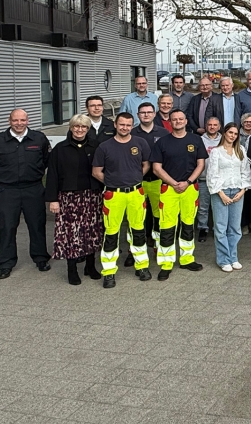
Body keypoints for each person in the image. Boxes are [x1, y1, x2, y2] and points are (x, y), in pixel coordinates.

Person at [0, 109, 51, 279]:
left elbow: (46, 160)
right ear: (9, 121)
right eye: (15, 120)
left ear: (28, 120)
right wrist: (5, 176)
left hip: (33, 188)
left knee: (37, 225)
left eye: (22, 120)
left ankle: (40, 258)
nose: (19, 123)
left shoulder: (38, 138)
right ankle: (6, 263)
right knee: (7, 227)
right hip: (8, 190)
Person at [91, 112, 152, 288]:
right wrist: (112, 182)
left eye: (128, 125)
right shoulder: (104, 146)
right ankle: (109, 272)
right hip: (113, 195)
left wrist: (136, 177)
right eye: (121, 124)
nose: (124, 127)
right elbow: (96, 171)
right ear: (115, 125)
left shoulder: (140, 143)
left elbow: (146, 163)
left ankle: (142, 266)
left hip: (136, 194)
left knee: (138, 231)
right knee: (111, 233)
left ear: (132, 125)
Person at [45, 114, 104, 285]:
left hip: (92, 195)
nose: (80, 130)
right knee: (71, 234)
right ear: (71, 128)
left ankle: (90, 266)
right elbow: (52, 176)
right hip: (68, 197)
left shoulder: (96, 146)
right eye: (76, 127)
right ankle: (72, 269)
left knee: (91, 231)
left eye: (83, 127)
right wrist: (53, 199)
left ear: (88, 129)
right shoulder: (60, 149)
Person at [151, 109, 208, 280]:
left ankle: (187, 259)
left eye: (181, 119)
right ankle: (166, 263)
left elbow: (201, 165)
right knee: (167, 227)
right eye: (174, 119)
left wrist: (188, 182)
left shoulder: (195, 140)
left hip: (190, 189)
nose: (178, 121)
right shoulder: (162, 142)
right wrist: (173, 183)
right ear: (170, 121)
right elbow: (156, 168)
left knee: (188, 225)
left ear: (185, 121)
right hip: (169, 189)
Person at [206, 122, 251, 272]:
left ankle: (233, 257)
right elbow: (212, 174)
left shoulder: (241, 150)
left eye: (235, 133)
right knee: (221, 227)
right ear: (224, 133)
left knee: (235, 227)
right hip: (221, 192)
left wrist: (243, 190)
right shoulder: (216, 152)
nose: (233, 136)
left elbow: (245, 171)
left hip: (238, 191)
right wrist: (221, 194)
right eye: (230, 132)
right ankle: (223, 259)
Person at [131, 102, 170, 254]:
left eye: (149, 112)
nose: (146, 115)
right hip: (136, 182)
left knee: (158, 216)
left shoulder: (164, 133)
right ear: (138, 115)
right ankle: (133, 250)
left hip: (157, 181)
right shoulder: (131, 133)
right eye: (142, 112)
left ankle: (157, 246)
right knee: (136, 217)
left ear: (154, 114)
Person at [197, 117, 222, 242]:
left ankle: (219, 230)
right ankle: (203, 228)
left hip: (220, 180)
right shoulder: (199, 140)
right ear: (206, 126)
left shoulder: (224, 139)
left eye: (215, 125)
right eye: (210, 125)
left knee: (219, 206)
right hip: (203, 179)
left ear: (219, 126)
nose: (212, 127)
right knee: (203, 207)